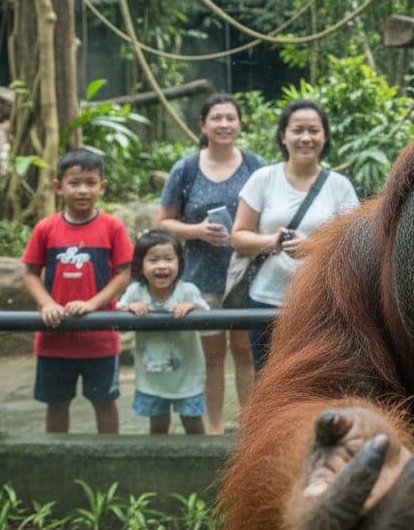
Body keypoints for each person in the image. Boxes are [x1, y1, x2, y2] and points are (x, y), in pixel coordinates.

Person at [157, 93, 265, 434]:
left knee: (246, 354)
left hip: (246, 278)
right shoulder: (186, 169)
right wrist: (197, 231)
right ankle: (215, 428)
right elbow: (164, 222)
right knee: (213, 358)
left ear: (239, 124)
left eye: (230, 118)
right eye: (216, 118)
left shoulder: (255, 166)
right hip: (201, 280)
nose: (224, 124)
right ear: (202, 125)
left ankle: (249, 428)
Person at [231, 98, 359, 370]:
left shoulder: (340, 186)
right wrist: (270, 242)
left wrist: (313, 247)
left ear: (324, 136)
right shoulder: (263, 179)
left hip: (320, 302)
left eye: (314, 130)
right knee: (266, 376)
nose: (305, 138)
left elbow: (355, 246)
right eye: (297, 130)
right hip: (266, 299)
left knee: (313, 378)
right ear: (283, 136)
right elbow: (238, 236)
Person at [21, 148, 132, 434]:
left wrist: (92, 304)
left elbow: (124, 274)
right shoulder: (46, 228)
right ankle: (56, 462)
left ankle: (110, 461)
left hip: (100, 336)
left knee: (104, 400)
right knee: (56, 402)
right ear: (58, 186)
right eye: (75, 183)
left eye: (91, 182)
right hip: (54, 336)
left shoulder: (112, 227)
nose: (83, 190)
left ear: (102, 187)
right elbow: (30, 274)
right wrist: (47, 304)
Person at [118, 229, 208, 435]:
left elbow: (209, 320)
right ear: (140, 264)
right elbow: (117, 316)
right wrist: (129, 309)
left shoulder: (187, 291)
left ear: (179, 262)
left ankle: (199, 460)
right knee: (158, 425)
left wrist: (192, 307)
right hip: (152, 378)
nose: (161, 266)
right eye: (153, 260)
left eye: (169, 259)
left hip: (187, 375)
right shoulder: (136, 291)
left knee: (192, 422)